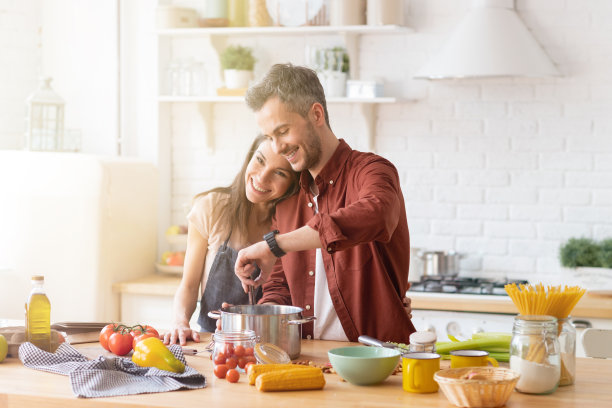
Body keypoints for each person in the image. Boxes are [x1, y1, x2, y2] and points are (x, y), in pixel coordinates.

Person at [234, 63, 416, 343]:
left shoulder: (372, 171)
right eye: (270, 137)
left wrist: (275, 244)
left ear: (316, 114)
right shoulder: (288, 199)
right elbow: (280, 285)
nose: (278, 147)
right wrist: (259, 318)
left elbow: (376, 213)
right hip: (309, 358)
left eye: (283, 131)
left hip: (377, 360)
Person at [163, 134, 299, 345]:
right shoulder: (211, 208)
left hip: (270, 343)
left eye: (279, 173)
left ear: (292, 184)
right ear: (249, 158)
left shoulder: (292, 229)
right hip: (212, 343)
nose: (262, 178)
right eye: (260, 160)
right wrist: (180, 322)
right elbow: (188, 286)